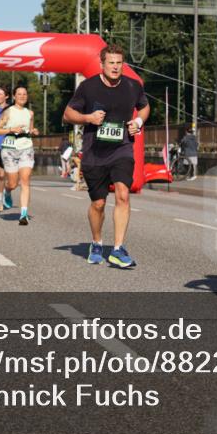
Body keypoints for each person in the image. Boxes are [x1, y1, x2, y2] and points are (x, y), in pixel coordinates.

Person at [64, 44, 149, 268]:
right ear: (102, 64)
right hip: (95, 152)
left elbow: (144, 108)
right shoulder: (88, 87)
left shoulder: (132, 86)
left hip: (122, 148)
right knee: (98, 204)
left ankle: (118, 249)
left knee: (123, 194)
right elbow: (68, 113)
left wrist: (138, 122)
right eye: (111, 62)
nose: (115, 67)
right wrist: (88, 118)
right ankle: (97, 242)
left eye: (119, 63)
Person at [0, 85, 39, 225]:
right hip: (9, 149)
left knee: (25, 181)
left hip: (26, 148)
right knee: (13, 183)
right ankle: (7, 191)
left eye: (24, 94)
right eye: (19, 94)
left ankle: (23, 214)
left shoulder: (30, 113)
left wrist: (34, 131)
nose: (22, 96)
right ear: (14, 96)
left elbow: (30, 129)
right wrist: (12, 129)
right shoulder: (8, 112)